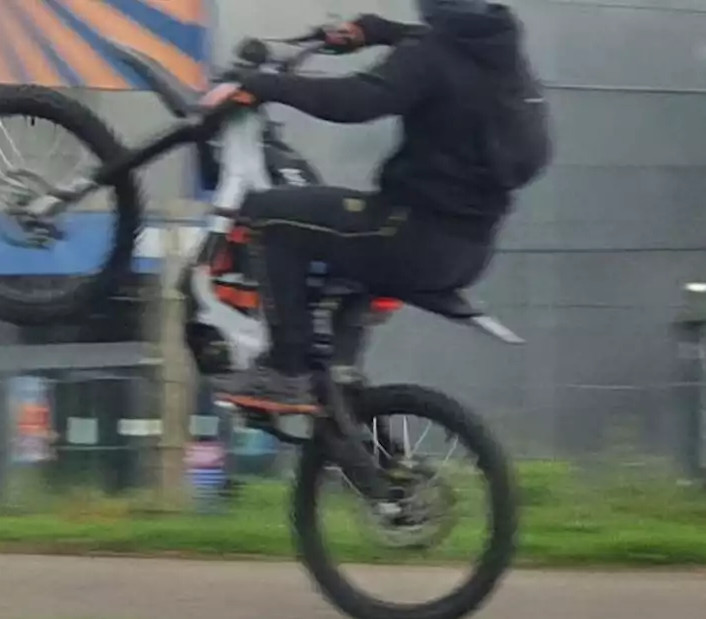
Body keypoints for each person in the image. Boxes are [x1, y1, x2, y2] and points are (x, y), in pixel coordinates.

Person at [208, 0, 541, 413]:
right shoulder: (498, 51)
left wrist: (263, 85)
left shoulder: (430, 58)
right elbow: (435, 50)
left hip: (406, 236)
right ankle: (341, 379)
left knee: (267, 213)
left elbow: (357, 100)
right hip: (469, 249)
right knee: (338, 234)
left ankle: (285, 371)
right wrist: (377, 29)